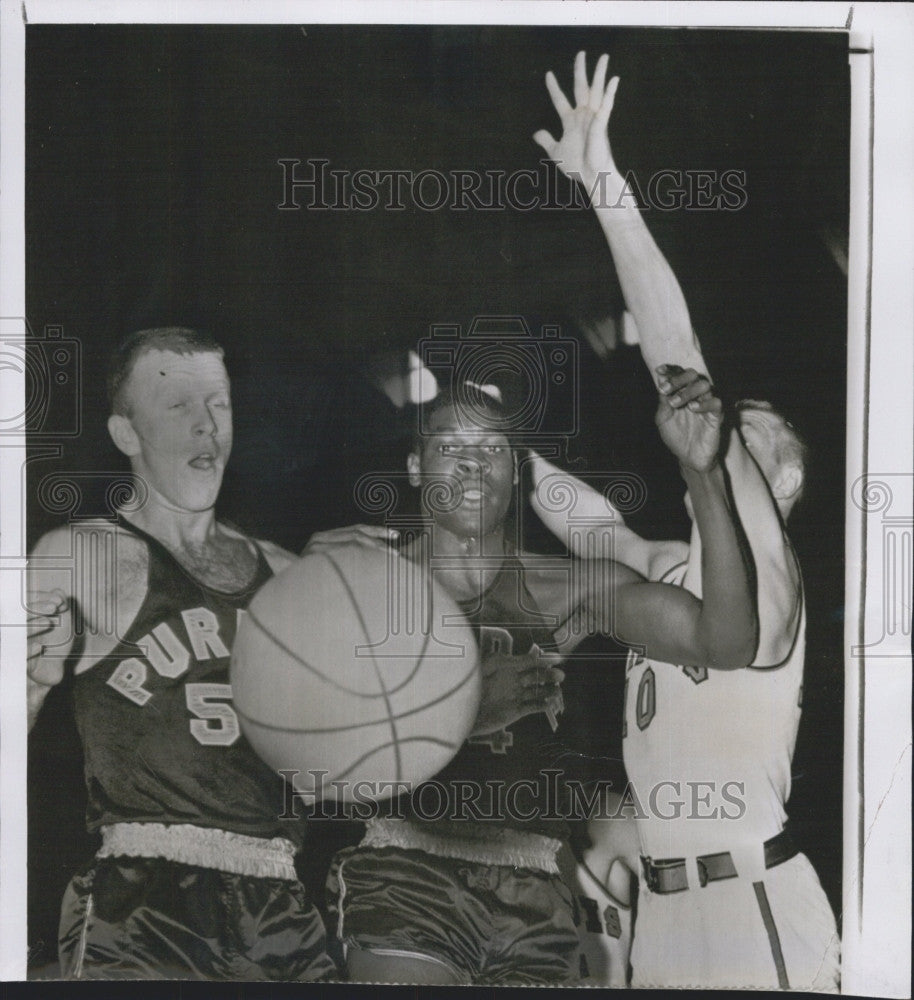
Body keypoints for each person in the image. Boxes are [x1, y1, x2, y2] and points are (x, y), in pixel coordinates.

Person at [531, 52, 840, 990]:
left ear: (781, 484)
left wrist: (605, 187)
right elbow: (588, 527)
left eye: (763, 436)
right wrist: (501, 455)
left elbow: (672, 347)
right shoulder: (672, 563)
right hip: (662, 912)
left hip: (751, 904)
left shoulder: (771, 569)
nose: (742, 429)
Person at [325, 354, 758, 986]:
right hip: (405, 870)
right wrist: (461, 714)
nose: (473, 463)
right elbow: (322, 759)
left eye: (494, 449)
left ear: (517, 472)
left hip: (535, 885)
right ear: (417, 468)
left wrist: (702, 473)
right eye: (451, 445)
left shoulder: (569, 590)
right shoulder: (365, 582)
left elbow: (726, 641)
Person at [26, 326, 387, 981]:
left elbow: (348, 765)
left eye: (217, 404)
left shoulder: (284, 572)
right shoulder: (79, 555)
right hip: (143, 896)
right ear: (127, 434)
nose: (205, 426)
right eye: (178, 406)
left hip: (279, 896)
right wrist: (24, 685)